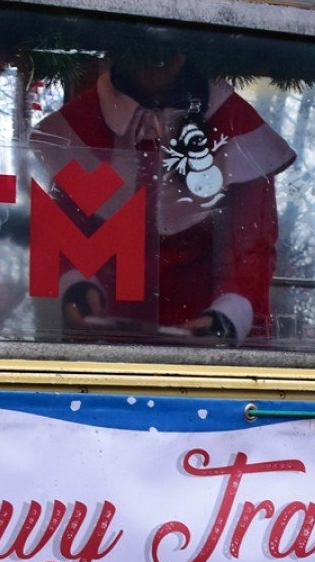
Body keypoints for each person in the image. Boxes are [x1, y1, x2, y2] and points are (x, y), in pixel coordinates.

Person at [31, 46, 296, 345]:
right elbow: (63, 234)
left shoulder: (233, 122)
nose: (155, 52)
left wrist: (226, 317)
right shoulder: (81, 123)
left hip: (208, 354)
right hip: (103, 346)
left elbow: (251, 250)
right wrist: (77, 289)